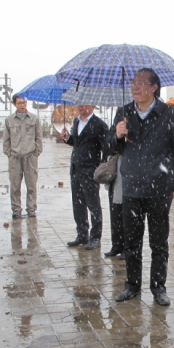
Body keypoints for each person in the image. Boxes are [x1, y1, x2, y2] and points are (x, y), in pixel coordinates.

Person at [107, 68, 174, 306]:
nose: (135, 87)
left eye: (141, 83)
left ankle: (159, 287)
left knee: (159, 242)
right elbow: (111, 147)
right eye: (133, 82)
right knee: (131, 242)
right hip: (131, 187)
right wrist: (117, 135)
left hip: (159, 188)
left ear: (154, 87)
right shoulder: (123, 113)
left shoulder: (168, 114)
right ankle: (132, 285)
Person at [61, 105, 109, 250]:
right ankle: (82, 234)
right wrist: (67, 138)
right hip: (75, 169)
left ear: (92, 105)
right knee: (78, 204)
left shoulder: (99, 125)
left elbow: (106, 148)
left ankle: (95, 237)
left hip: (90, 171)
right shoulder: (76, 121)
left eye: (84, 103)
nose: (80, 106)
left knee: (93, 204)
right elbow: (76, 142)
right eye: (79, 103)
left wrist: (100, 167)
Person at [3, 95, 43, 219]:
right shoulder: (9, 120)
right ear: (15, 104)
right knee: (15, 186)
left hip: (30, 157)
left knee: (31, 185)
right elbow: (6, 140)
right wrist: (9, 154)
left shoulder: (34, 119)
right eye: (20, 103)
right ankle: (16, 210)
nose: (22, 105)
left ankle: (31, 209)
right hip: (15, 158)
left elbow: (39, 138)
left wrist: (36, 153)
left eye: (24, 102)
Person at [103, 148, 125, 260]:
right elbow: (108, 144)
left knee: (125, 215)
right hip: (114, 168)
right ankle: (116, 245)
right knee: (114, 213)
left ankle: (127, 247)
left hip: (126, 170)